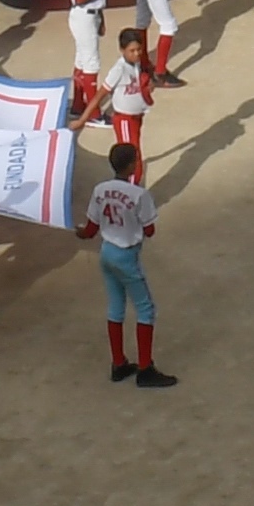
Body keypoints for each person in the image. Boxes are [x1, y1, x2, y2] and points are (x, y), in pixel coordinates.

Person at [83, 145, 170, 385]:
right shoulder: (139, 194)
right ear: (132, 165)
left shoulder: (100, 189)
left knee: (116, 306)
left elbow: (90, 229)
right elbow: (150, 229)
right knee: (145, 308)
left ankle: (118, 363)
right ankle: (145, 369)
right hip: (126, 255)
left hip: (106, 253)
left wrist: (80, 233)